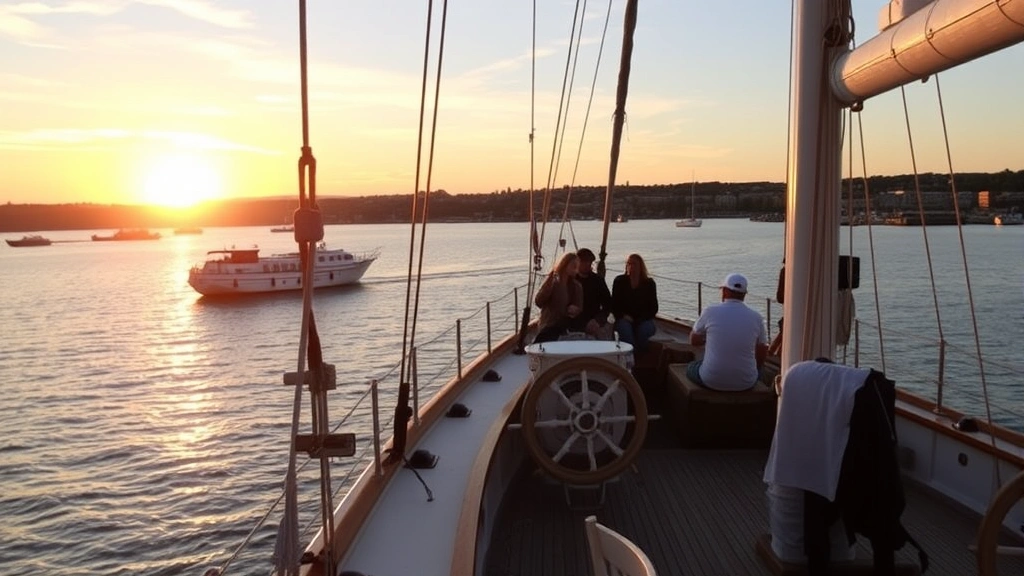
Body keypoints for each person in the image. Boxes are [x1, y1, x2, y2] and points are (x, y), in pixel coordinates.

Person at [687, 272, 768, 391]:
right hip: (746, 382)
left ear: (724, 291)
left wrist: (709, 338)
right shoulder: (756, 317)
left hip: (711, 380)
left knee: (691, 367)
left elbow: (693, 340)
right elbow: (762, 349)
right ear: (744, 294)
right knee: (759, 371)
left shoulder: (710, 311)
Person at [611, 253, 658, 353]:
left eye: (634, 264)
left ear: (641, 266)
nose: (631, 266)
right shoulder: (620, 281)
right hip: (624, 318)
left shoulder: (649, 284)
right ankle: (631, 357)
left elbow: (653, 308)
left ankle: (639, 356)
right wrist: (623, 316)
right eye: (629, 264)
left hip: (644, 319)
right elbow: (614, 305)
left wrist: (639, 319)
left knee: (644, 330)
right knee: (625, 330)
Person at [533, 252, 583, 343]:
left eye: (577, 266)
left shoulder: (576, 286)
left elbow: (579, 306)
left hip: (566, 324)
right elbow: (538, 301)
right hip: (549, 324)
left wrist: (575, 309)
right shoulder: (553, 281)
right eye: (573, 266)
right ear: (565, 264)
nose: (576, 269)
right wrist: (549, 287)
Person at [569, 248, 613, 339]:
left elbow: (608, 304)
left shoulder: (598, 280)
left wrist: (598, 320)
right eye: (584, 261)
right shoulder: (570, 280)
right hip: (574, 321)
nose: (587, 264)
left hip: (594, 320)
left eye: (589, 262)